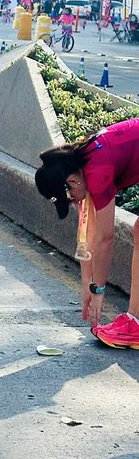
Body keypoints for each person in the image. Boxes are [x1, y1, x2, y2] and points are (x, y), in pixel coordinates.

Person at [35, 119, 139, 349]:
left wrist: (99, 290)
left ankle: (136, 324)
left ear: (72, 182)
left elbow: (104, 239)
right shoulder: (82, 162)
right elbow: (87, 234)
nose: (74, 202)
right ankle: (136, 321)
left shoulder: (97, 171)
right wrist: (87, 285)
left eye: (70, 198)